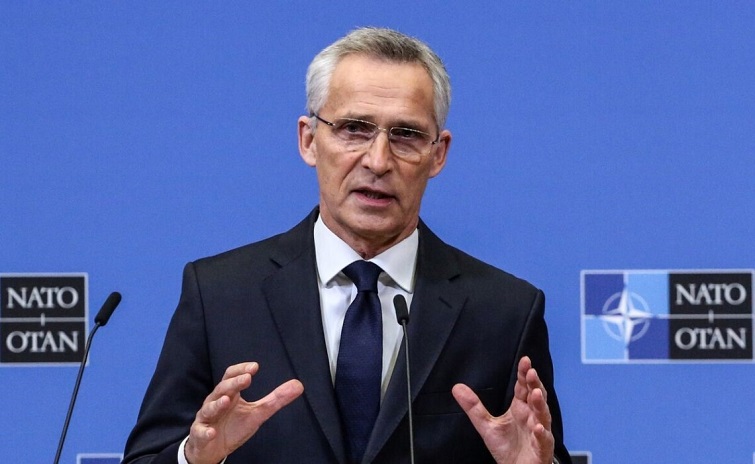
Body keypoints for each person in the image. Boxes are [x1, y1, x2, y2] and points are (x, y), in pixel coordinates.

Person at [123, 27, 571, 464]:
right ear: (309, 140)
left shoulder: (505, 312)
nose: (378, 161)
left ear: (438, 153)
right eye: (355, 128)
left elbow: (537, 449)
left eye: (406, 134)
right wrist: (195, 458)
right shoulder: (219, 294)